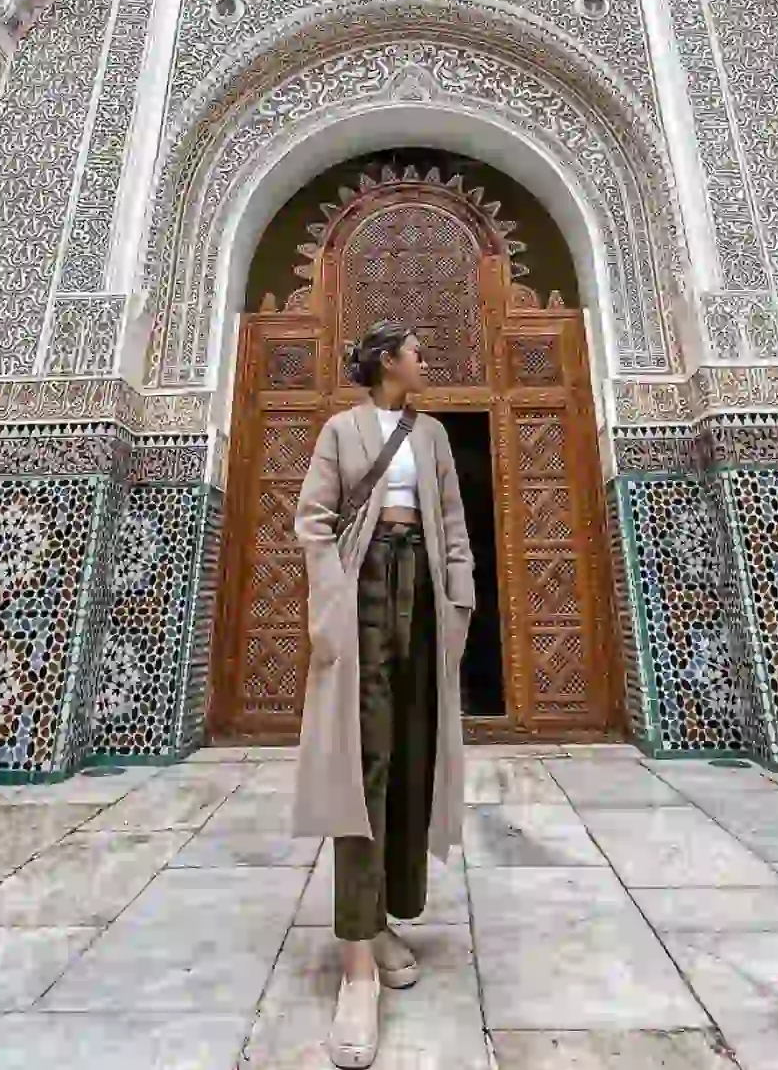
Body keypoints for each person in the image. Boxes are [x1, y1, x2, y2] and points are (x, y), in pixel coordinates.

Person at [291, 322, 475, 1069]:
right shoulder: (341, 428)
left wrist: (458, 596)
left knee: (409, 758)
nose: (425, 361)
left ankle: (381, 920)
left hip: (421, 594)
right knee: (361, 768)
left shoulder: (429, 435)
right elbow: (313, 519)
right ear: (386, 362)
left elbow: (454, 524)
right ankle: (357, 967)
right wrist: (331, 602)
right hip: (364, 589)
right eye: (415, 352)